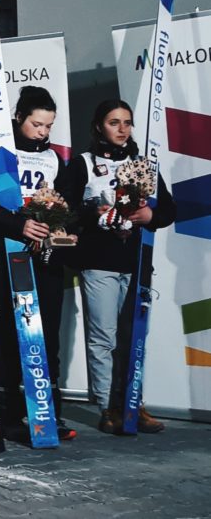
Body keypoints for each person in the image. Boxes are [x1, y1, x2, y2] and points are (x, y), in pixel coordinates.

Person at [0, 85, 77, 441]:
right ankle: (9, 414)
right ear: (19, 119)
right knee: (6, 336)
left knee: (46, 336)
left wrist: (56, 228)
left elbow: (62, 207)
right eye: (36, 125)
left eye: (49, 126)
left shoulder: (53, 159)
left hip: (43, 258)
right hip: (6, 255)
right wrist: (20, 224)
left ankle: (48, 412)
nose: (43, 133)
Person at [67, 99, 175, 434]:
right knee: (104, 337)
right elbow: (66, 209)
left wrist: (151, 216)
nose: (122, 129)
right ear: (100, 126)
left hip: (136, 262)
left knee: (133, 336)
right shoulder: (82, 163)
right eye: (114, 122)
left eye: (126, 122)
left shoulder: (142, 165)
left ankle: (133, 403)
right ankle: (107, 407)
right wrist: (93, 213)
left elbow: (168, 209)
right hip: (99, 262)